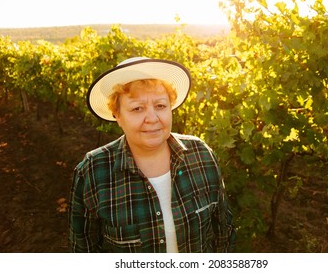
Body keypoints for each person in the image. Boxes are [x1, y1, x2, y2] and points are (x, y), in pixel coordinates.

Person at [68, 57, 236, 253]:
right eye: (137, 108)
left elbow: (224, 233)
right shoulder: (92, 172)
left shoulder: (202, 156)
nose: (152, 118)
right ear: (118, 116)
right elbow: (83, 252)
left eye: (160, 106)